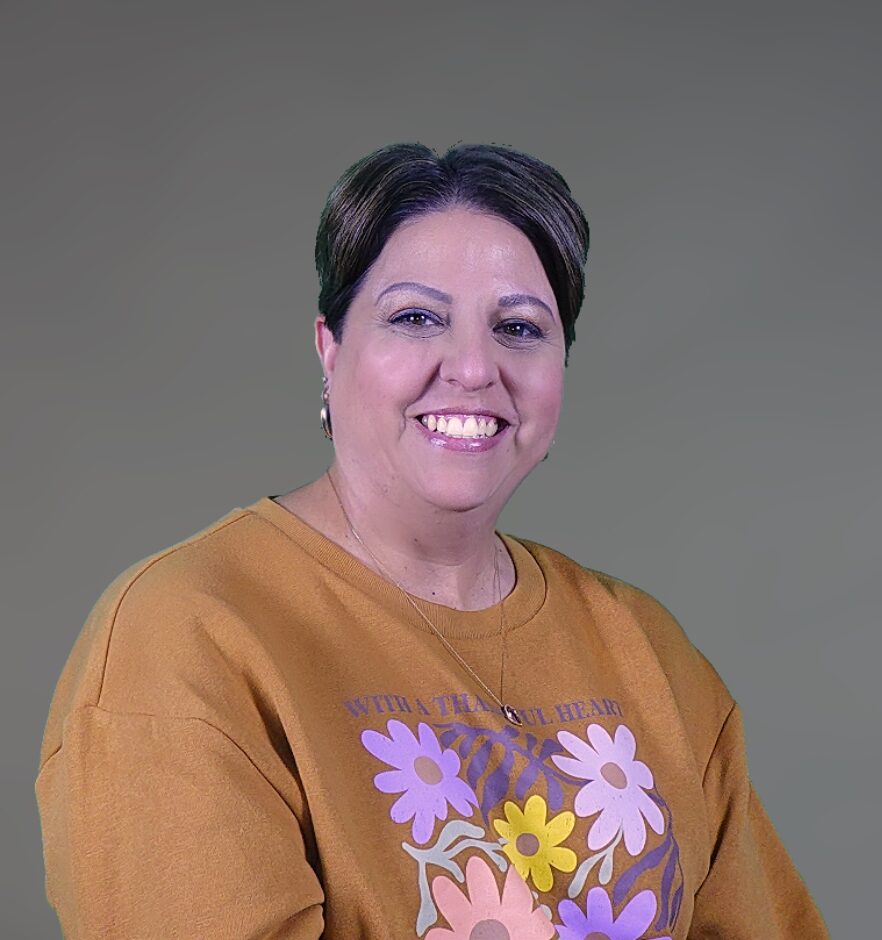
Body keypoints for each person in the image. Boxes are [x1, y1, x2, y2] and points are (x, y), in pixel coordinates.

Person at [35, 142, 828, 939]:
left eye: (519, 327)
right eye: (416, 318)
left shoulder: (648, 651)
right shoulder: (185, 636)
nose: (474, 368)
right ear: (330, 349)